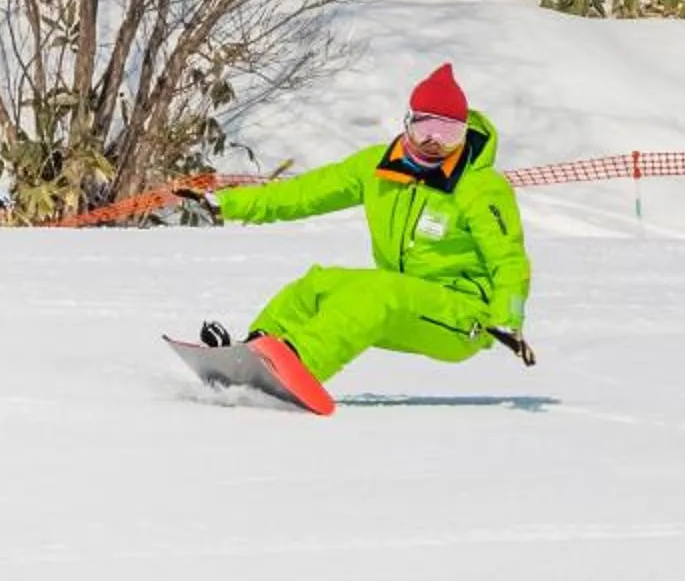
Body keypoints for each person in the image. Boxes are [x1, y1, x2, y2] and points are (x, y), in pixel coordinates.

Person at [181, 64, 531, 406]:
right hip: (403, 302)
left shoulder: (481, 187)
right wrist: (226, 204)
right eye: (425, 128)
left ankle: (299, 361)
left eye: (449, 133)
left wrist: (507, 319)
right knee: (320, 285)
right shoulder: (376, 167)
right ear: (407, 122)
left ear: (464, 133)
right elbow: (303, 193)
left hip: (463, 316)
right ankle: (256, 350)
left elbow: (509, 259)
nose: (434, 142)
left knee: (376, 292)